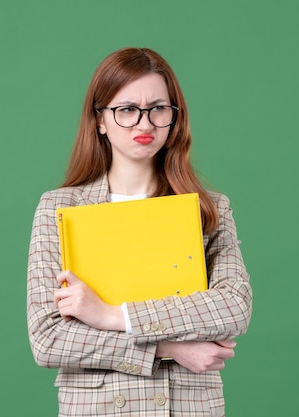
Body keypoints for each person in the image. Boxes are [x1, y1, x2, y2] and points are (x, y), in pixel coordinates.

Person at [27, 47, 252, 416]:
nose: (144, 124)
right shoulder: (60, 209)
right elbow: (49, 339)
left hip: (187, 406)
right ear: (100, 120)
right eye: (127, 109)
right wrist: (168, 348)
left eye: (158, 109)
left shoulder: (209, 208)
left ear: (174, 118)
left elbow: (233, 307)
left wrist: (113, 316)